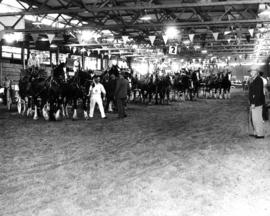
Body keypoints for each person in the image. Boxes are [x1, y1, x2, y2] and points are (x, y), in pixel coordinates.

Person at [248, 69, 265, 138]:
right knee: (254, 119)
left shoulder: (258, 80)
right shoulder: (255, 79)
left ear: (256, 73)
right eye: (250, 72)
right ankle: (256, 133)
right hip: (255, 102)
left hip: (257, 103)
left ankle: (260, 134)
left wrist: (253, 103)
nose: (250, 73)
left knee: (257, 119)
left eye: (251, 72)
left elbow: (257, 93)